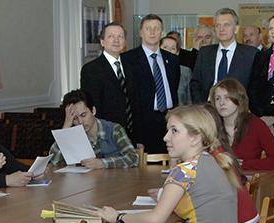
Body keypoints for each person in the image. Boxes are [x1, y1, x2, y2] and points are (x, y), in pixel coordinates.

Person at [96, 105, 239, 223]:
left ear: (196, 137)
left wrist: (117, 217)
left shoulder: (184, 171)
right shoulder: (214, 162)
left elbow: (155, 220)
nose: (165, 137)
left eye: (174, 131)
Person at [121, 14, 180, 153]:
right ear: (140, 33)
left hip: (170, 119)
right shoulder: (128, 59)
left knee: (172, 160)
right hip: (143, 123)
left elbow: (174, 87)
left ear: (162, 33)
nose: (152, 32)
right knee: (148, 164)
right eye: (148, 28)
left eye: (156, 28)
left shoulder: (172, 59)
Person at [47, 89, 138, 169]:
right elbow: (53, 162)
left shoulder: (115, 130)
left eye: (83, 115)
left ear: (93, 111)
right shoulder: (71, 135)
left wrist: (102, 163)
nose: (80, 121)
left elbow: (133, 158)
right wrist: (66, 126)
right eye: (74, 119)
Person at [210, 78, 274, 171]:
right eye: (217, 98)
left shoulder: (256, 125)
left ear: (239, 99)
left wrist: (245, 164)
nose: (221, 103)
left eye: (227, 97)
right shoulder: (211, 125)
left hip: (246, 178)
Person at [80, 22, 137, 137]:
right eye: (111, 36)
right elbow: (92, 107)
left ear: (125, 42)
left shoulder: (131, 67)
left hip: (132, 134)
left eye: (120, 36)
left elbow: (135, 103)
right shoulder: (91, 69)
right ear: (102, 42)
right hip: (106, 134)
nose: (116, 40)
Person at [190, 8, 257, 104]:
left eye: (226, 25)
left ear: (236, 29)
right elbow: (195, 83)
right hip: (208, 107)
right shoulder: (205, 53)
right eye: (218, 25)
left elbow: (255, 87)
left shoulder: (251, 54)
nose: (221, 29)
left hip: (237, 107)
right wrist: (200, 105)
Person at [161, 35, 192, 105]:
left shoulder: (185, 72)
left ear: (177, 53)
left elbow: (189, 99)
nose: (168, 51)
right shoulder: (152, 69)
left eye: (172, 48)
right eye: (165, 47)